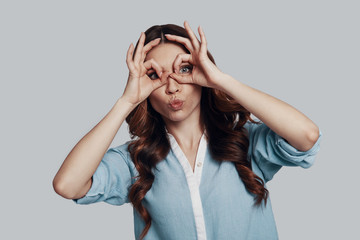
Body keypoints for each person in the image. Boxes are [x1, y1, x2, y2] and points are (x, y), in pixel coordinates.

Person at [53, 21, 322, 240]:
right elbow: (67, 185)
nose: (172, 87)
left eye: (184, 69)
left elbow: (307, 135)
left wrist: (220, 80)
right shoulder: (135, 162)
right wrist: (126, 102)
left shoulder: (244, 142)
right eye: (156, 76)